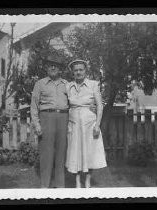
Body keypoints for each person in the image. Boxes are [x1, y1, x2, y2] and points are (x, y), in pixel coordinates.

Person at [66, 59, 107, 188]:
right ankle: (78, 181)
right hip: (73, 124)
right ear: (72, 72)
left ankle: (88, 180)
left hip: (90, 124)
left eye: (81, 70)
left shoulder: (94, 85)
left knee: (90, 152)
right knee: (75, 153)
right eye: (76, 70)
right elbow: (65, 105)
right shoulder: (68, 86)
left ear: (85, 71)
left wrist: (97, 125)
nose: (78, 72)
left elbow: (100, 106)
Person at [30, 53, 68, 188]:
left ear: (60, 69)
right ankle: (44, 186)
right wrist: (37, 125)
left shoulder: (67, 85)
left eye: (56, 65)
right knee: (46, 154)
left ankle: (60, 186)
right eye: (50, 65)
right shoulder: (40, 84)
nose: (53, 67)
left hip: (63, 118)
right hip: (46, 118)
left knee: (61, 153)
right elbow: (34, 107)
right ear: (47, 67)